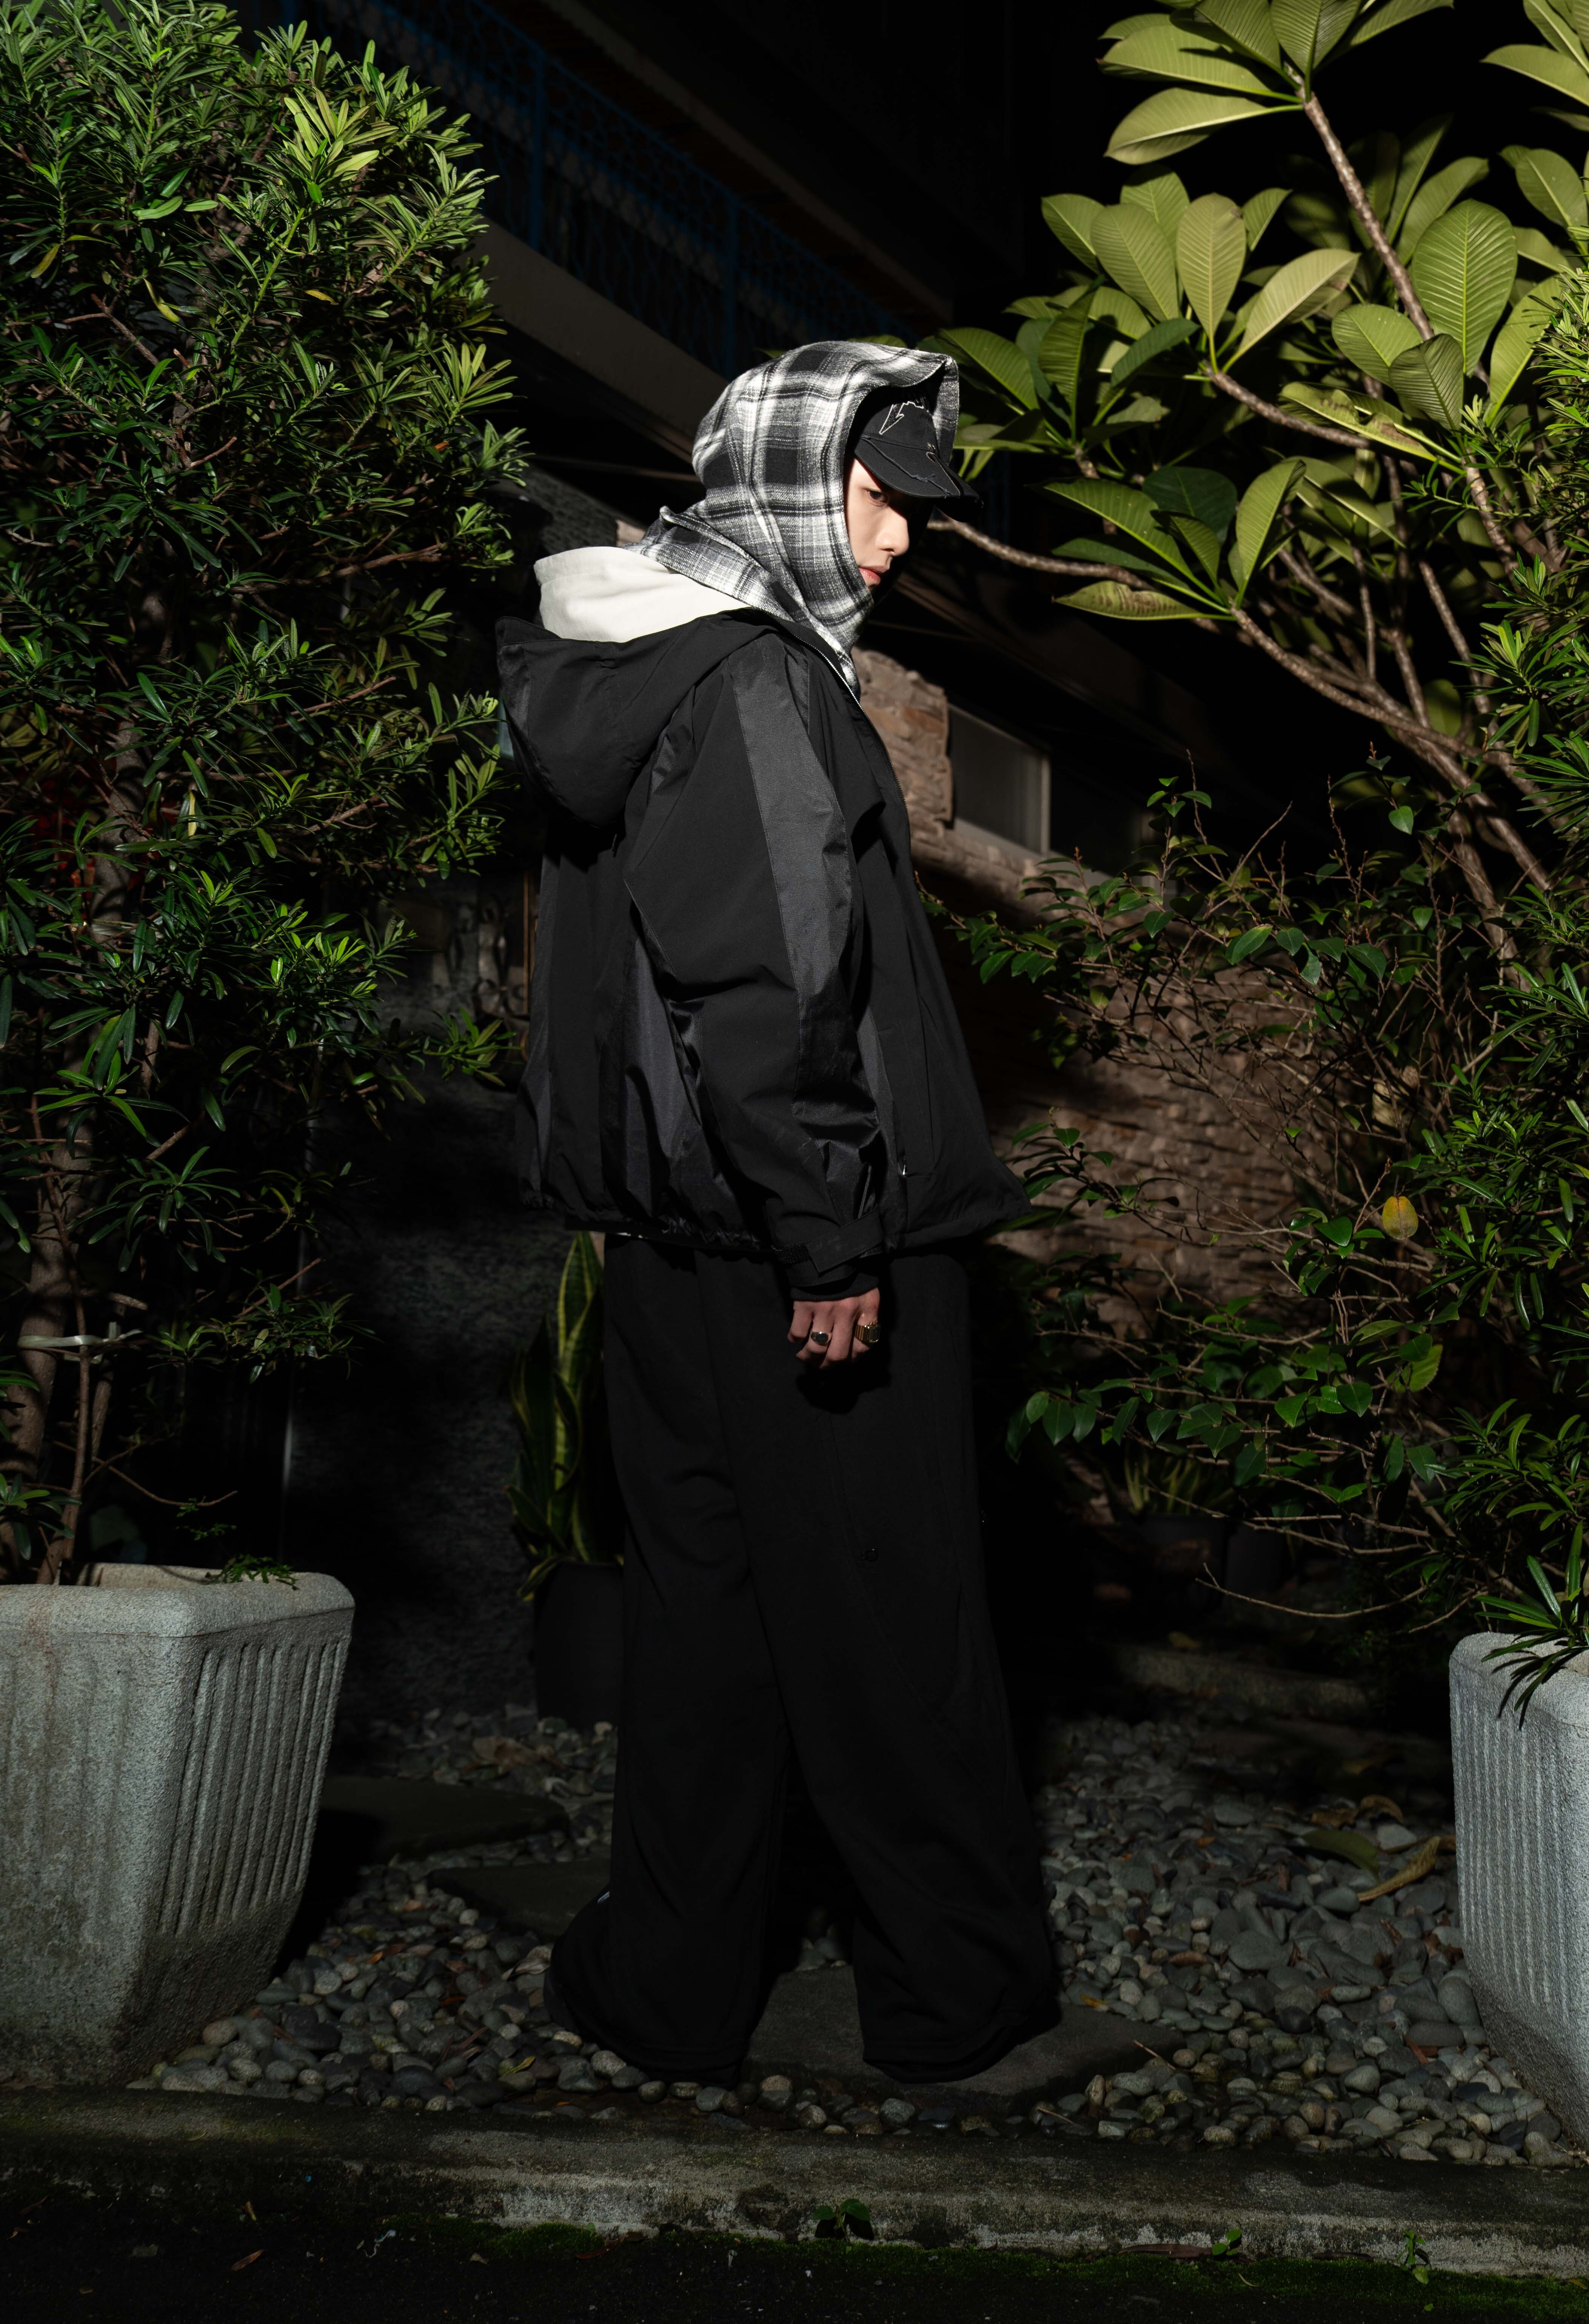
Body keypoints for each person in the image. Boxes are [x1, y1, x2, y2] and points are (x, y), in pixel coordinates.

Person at [497, 340, 1055, 2088]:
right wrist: (828, 1233)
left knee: (705, 1634)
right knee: (894, 1631)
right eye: (877, 498)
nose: (896, 541)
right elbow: (772, 979)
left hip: (673, 1255)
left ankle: (667, 1991)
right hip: (816, 1250)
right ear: (785, 480)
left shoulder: (628, 660)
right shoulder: (751, 680)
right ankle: (956, 2000)